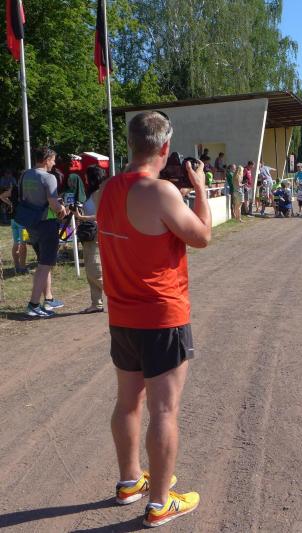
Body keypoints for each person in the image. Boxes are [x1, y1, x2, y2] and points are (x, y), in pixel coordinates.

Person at [96, 111, 208, 527]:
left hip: (122, 315)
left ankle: (129, 482)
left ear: (130, 143)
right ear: (165, 147)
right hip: (162, 316)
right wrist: (199, 189)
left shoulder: (108, 189)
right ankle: (160, 503)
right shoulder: (162, 192)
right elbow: (202, 236)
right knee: (164, 410)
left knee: (128, 402)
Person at [18, 147, 68, 318]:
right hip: (47, 223)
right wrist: (62, 209)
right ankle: (33, 304)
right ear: (46, 159)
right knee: (45, 265)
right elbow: (53, 204)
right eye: (53, 160)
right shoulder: (49, 177)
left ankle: (48, 299)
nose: (54, 163)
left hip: (30, 223)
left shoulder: (25, 175)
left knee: (42, 263)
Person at [73, 165, 106, 313]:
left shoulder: (98, 193)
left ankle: (121, 296)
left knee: (95, 269)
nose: (84, 178)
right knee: (90, 269)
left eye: (86, 176)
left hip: (96, 233)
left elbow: (102, 215)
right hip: (88, 233)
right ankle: (96, 303)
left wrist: (82, 217)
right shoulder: (91, 193)